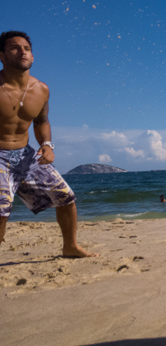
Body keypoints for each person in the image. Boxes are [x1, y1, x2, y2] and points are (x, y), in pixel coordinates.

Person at [0, 31, 96, 258]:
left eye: (26, 48)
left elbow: (41, 121)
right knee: (1, 209)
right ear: (2, 56)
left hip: (25, 155)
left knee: (65, 197)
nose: (22, 51)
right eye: (14, 47)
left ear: (32, 57)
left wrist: (47, 144)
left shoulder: (41, 90)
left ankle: (70, 247)